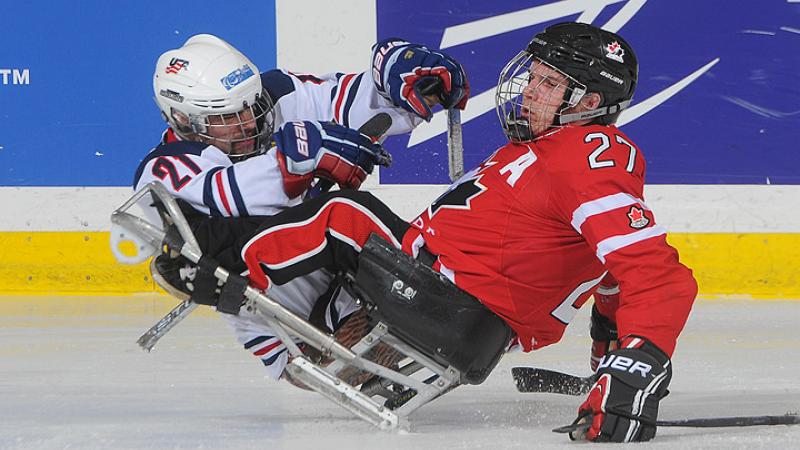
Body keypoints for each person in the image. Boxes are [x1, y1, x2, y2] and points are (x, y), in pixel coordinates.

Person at [187, 22, 698, 442]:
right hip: (461, 319)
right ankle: (253, 287)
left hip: (443, 301)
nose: (526, 92)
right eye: (532, 76)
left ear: (587, 103)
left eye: (547, 83)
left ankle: (214, 265)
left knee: (341, 213)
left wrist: (636, 372)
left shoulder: (585, 153)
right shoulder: (551, 154)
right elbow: (611, 277)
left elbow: (658, 277)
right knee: (341, 221)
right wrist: (608, 364)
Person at [133, 34, 469, 380]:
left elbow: (344, 100)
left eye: (251, 106)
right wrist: (303, 157)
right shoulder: (162, 169)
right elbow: (229, 196)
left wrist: (395, 77)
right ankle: (435, 295)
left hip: (349, 280)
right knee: (339, 213)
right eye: (229, 117)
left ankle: (446, 287)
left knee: (355, 217)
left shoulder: (274, 95)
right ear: (184, 120)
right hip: (293, 333)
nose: (249, 122)